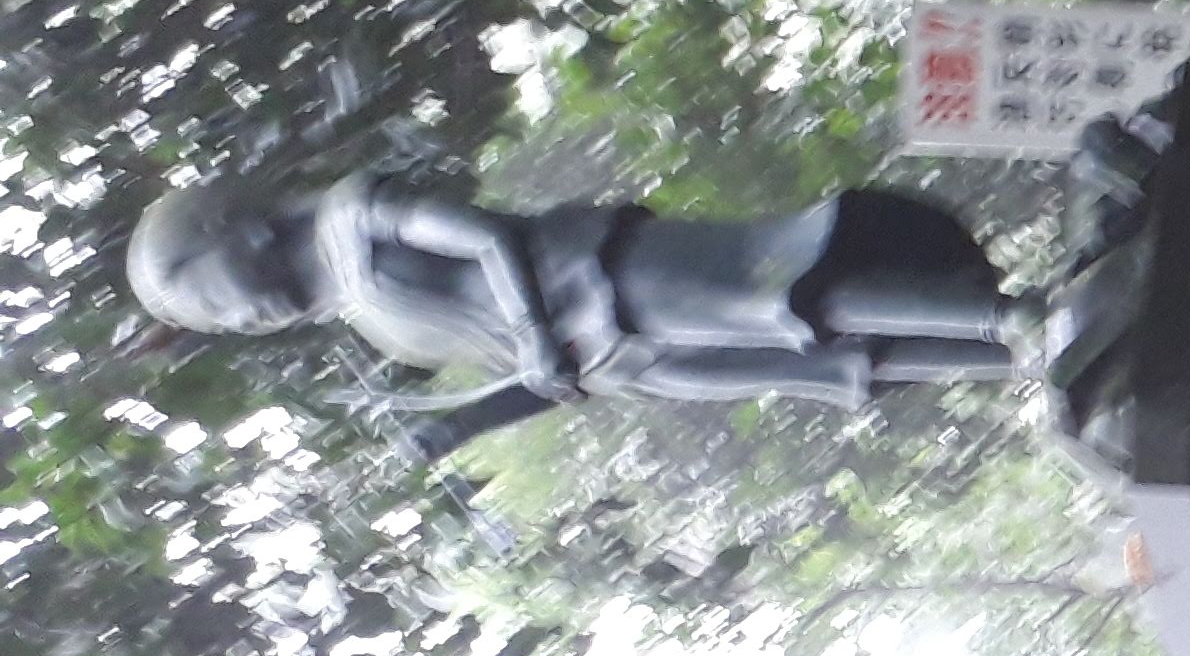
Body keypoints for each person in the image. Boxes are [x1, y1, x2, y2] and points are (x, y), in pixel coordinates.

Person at [126, 171, 1022, 459]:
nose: (242, 320)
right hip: (613, 358)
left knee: (778, 298)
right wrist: (470, 422)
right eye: (228, 329)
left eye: (218, 301)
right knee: (825, 365)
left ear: (230, 231)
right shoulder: (369, 323)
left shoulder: (354, 217)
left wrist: (529, 334)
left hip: (599, 276)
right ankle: (1012, 358)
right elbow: (536, 377)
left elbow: (483, 238)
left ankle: (1012, 319)